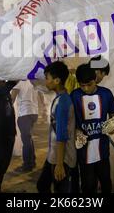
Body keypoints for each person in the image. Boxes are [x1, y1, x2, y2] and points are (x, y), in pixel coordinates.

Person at [71, 64, 114, 193]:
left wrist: (113, 126)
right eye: (82, 85)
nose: (86, 88)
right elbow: (70, 121)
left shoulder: (106, 94)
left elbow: (113, 118)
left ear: (95, 79)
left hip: (102, 149)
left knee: (105, 182)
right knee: (88, 185)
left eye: (89, 84)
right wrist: (76, 131)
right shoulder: (74, 96)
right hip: (84, 150)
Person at [37, 61, 76, 193]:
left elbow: (61, 135)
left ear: (57, 80)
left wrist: (59, 165)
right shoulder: (60, 98)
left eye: (47, 78)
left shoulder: (63, 102)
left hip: (62, 157)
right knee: (42, 185)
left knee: (59, 191)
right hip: (54, 155)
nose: (45, 82)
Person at [11, 80, 39, 172]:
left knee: (26, 140)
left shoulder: (19, 83)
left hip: (24, 113)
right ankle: (32, 161)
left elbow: (12, 99)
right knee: (29, 138)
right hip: (34, 112)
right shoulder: (33, 82)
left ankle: (27, 165)